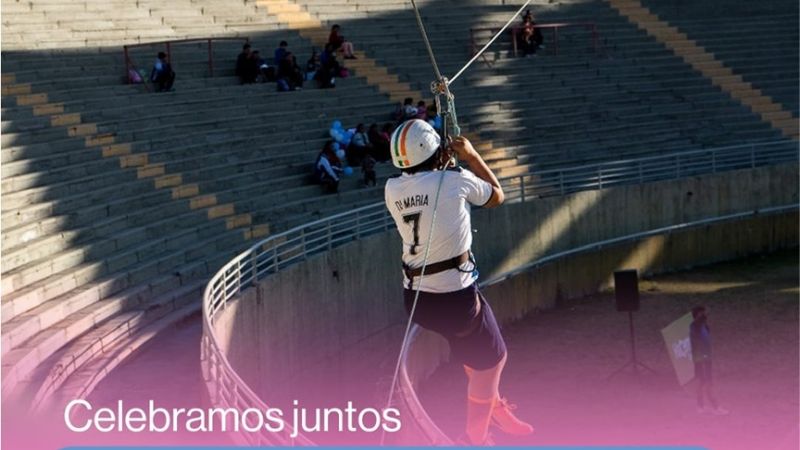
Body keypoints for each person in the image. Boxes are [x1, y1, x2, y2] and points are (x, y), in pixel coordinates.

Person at [384, 119, 534, 445]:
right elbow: (497, 196)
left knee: (473, 350)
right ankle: (475, 437)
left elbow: (426, 186)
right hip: (455, 298)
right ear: (435, 152)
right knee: (493, 359)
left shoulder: (392, 188)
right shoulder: (455, 181)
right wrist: (471, 156)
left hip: (417, 299)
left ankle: (491, 402)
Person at [690, 306, 729, 415]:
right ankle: (715, 407)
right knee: (706, 382)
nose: (704, 315)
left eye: (704, 313)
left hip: (707, 358)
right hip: (700, 359)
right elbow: (696, 339)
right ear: (696, 315)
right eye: (701, 314)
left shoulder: (705, 326)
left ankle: (701, 406)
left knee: (705, 382)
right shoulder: (694, 326)